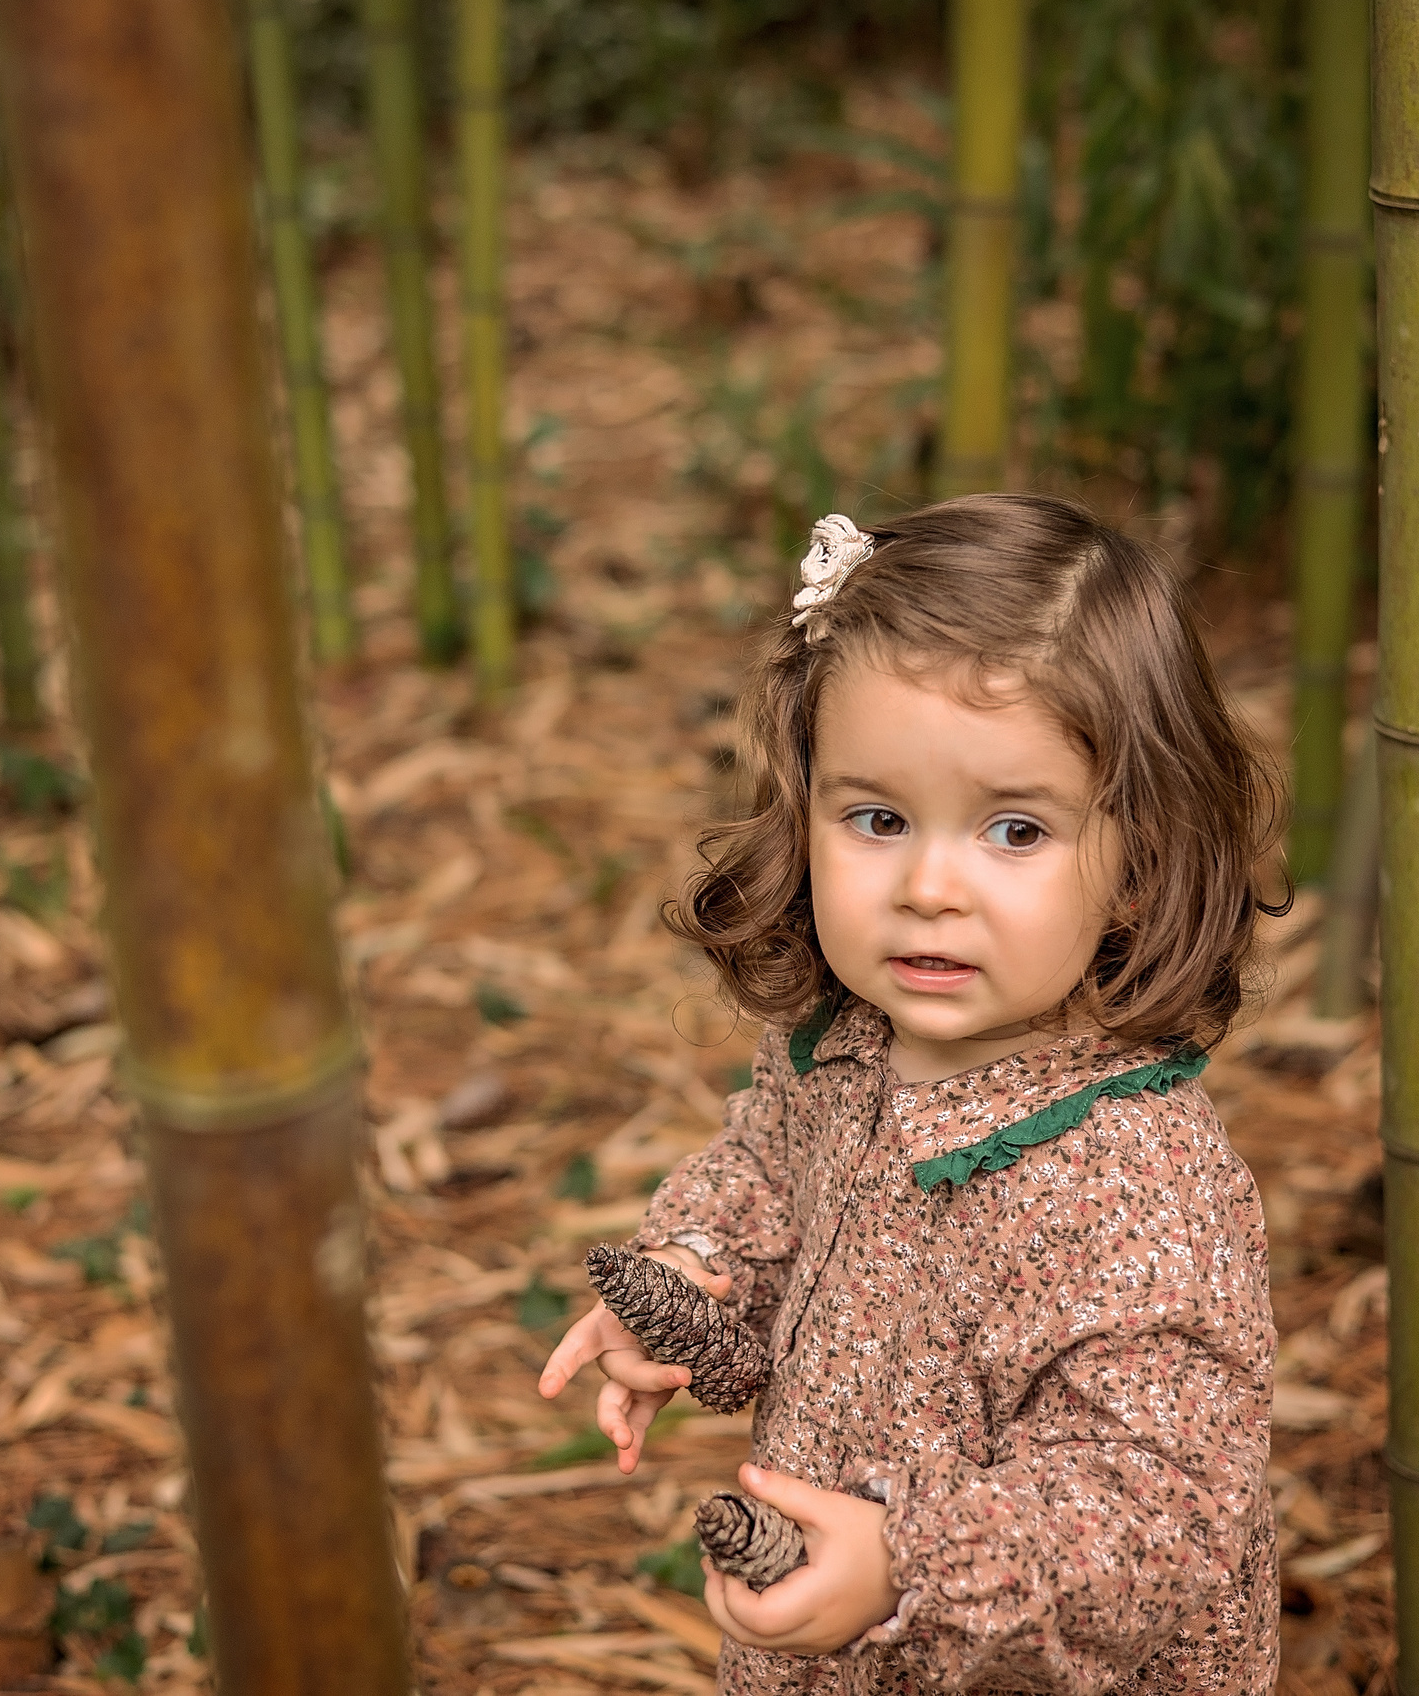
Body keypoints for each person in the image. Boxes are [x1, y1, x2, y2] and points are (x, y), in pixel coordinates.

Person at [538, 495, 1286, 1694]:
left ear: (1141, 862)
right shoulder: (840, 1049)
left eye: (1013, 830)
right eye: (878, 818)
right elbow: (766, 1176)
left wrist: (910, 1566)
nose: (929, 884)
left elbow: (1156, 1516)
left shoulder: (1137, 1186)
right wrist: (689, 1283)